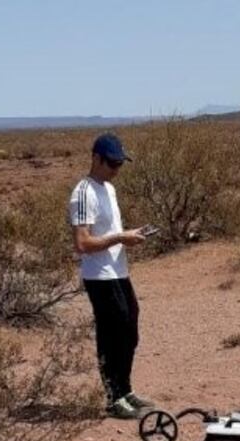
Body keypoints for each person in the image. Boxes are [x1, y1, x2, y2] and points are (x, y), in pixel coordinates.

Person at [69, 133, 154, 419]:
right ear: (96, 159)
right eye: (112, 164)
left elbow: (110, 232)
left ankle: (125, 389)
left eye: (120, 164)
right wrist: (120, 238)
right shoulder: (83, 193)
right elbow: (82, 243)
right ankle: (113, 396)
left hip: (118, 270)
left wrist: (131, 235)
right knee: (112, 333)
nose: (117, 170)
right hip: (99, 276)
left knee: (129, 328)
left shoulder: (109, 189)